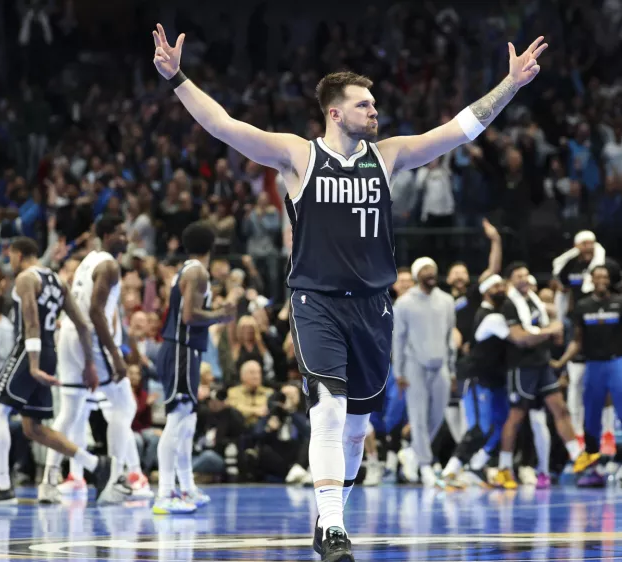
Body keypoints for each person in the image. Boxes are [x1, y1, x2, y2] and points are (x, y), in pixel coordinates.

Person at [152, 21, 547, 562]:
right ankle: (334, 525)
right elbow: (223, 125)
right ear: (334, 112)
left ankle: (328, 514)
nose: (374, 111)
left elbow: (460, 129)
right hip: (316, 301)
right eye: (364, 104)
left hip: (373, 307)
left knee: (358, 429)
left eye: (374, 103)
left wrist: (511, 85)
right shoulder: (298, 155)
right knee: (329, 411)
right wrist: (177, 79)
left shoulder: (388, 156)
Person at [0, 237, 128, 506]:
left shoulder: (26, 278)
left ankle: (2, 485)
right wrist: (89, 364)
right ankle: (97, 465)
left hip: (29, 350)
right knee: (34, 429)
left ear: (18, 254)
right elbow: (82, 325)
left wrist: (32, 364)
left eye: (11, 256)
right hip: (49, 352)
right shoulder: (56, 280)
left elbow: (31, 321)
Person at [39, 216, 150, 503]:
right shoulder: (109, 265)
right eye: (118, 233)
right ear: (104, 235)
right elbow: (96, 312)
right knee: (125, 405)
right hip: (89, 338)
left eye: (125, 233)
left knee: (71, 410)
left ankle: (49, 479)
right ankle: (114, 479)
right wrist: (115, 355)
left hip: (69, 335)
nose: (124, 238)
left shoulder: (89, 259)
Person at [152, 222, 238, 515]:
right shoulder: (198, 271)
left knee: (187, 422)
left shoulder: (187, 269)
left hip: (184, 350)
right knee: (177, 419)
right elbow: (190, 317)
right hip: (180, 349)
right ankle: (164, 492)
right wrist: (221, 315)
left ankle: (185, 485)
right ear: (211, 246)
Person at [490, 262, 596, 489]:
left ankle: (577, 455)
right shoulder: (510, 305)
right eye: (518, 276)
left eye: (526, 275)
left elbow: (556, 323)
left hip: (542, 364)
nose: (524, 279)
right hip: (522, 366)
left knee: (561, 408)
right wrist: (546, 332)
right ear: (510, 282)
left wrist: (544, 331)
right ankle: (504, 468)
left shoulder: (534, 301)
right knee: (516, 417)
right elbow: (521, 338)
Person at [552, 266, 622, 488]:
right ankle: (594, 468)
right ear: (591, 281)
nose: (602, 280)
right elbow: (577, 340)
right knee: (591, 418)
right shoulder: (583, 307)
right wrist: (562, 362)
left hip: (618, 363)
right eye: (598, 277)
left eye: (605, 277)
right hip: (593, 365)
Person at [440, 273, 510, 485]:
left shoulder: (497, 313)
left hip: (495, 379)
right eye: (496, 286)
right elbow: (520, 338)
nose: (501, 289)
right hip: (476, 377)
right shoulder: (490, 316)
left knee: (501, 425)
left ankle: (477, 466)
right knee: (480, 427)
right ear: (486, 291)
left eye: (502, 284)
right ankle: (449, 472)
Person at [392, 257, 456, 486]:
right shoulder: (404, 303)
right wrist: (398, 372)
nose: (430, 273)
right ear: (418, 274)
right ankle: (425, 465)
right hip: (413, 366)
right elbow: (397, 339)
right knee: (417, 416)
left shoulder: (447, 301)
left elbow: (450, 337)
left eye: (433, 269)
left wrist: (453, 367)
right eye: (425, 269)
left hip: (441, 366)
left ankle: (412, 453)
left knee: (437, 416)